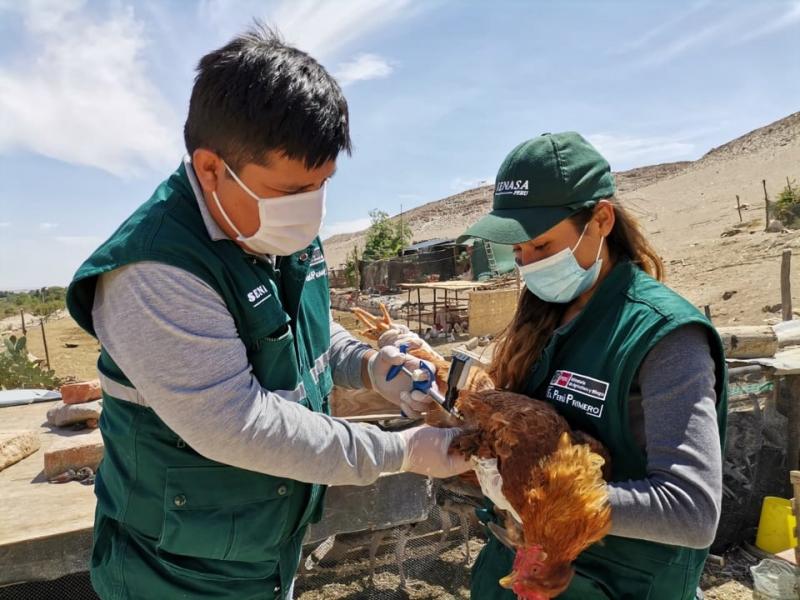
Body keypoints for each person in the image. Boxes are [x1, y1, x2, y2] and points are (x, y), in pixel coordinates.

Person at [66, 25, 469, 600]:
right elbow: (238, 424)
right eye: (292, 190)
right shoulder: (155, 272)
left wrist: (370, 366)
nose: (310, 209)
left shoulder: (272, 224)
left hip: (264, 545)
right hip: (180, 571)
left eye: (322, 184)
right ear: (211, 168)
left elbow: (306, 332)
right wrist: (401, 451)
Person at [460, 132, 727, 599]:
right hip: (516, 572)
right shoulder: (544, 314)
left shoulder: (664, 336)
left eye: (541, 246)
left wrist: (541, 498)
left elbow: (691, 511)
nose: (528, 264)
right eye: (518, 252)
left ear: (601, 220)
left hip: (615, 585)